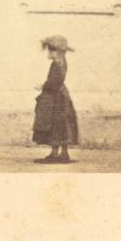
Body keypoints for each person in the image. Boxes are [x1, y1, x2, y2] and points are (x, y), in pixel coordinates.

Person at [32, 35, 78, 163]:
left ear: (58, 51)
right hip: (56, 96)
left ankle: (62, 153)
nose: (49, 52)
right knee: (55, 125)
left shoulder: (59, 64)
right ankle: (56, 153)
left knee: (59, 124)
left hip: (58, 98)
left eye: (52, 50)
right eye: (50, 49)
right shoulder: (57, 63)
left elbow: (55, 81)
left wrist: (43, 86)